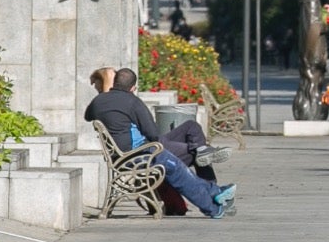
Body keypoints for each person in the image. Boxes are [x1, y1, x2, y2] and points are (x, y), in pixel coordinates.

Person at [85, 68, 237, 218]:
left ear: (114, 82)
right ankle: (213, 206)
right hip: (136, 154)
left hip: (121, 155)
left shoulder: (98, 102)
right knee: (177, 168)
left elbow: (87, 116)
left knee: (186, 151)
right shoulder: (133, 102)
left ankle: (214, 189)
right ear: (133, 88)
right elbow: (153, 133)